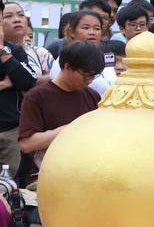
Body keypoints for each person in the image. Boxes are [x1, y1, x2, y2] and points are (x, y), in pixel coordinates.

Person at [18, 41, 103, 175]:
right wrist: (70, 128)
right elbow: (27, 144)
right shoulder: (37, 97)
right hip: (48, 173)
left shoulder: (92, 95)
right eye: (85, 74)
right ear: (67, 66)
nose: (89, 80)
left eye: (94, 75)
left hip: (86, 170)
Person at [0, 0, 40, 175]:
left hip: (9, 130)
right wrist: (4, 83)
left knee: (8, 183)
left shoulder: (14, 50)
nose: (16, 19)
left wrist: (2, 50)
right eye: (8, 16)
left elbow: (28, 81)